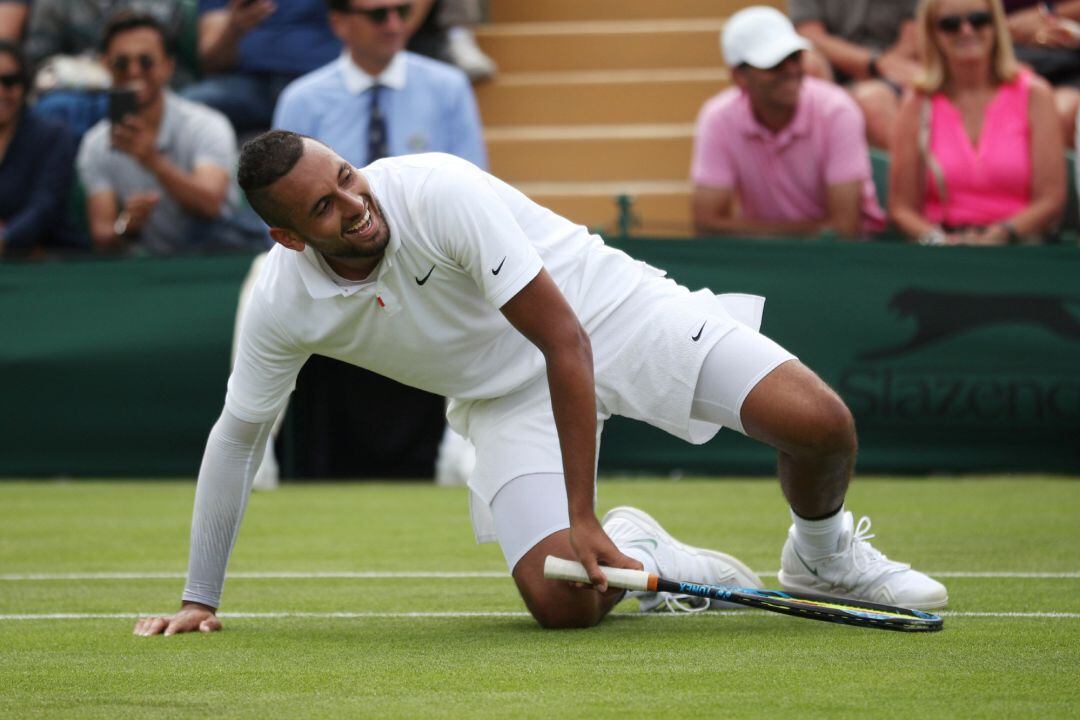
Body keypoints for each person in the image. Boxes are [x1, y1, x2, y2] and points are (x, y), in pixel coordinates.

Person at [132, 130, 948, 636]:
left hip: (608, 311)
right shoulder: (280, 302)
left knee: (820, 424)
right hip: (499, 397)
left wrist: (580, 512)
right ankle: (649, 548)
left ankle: (821, 554)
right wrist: (200, 598)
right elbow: (238, 438)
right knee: (560, 606)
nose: (355, 203)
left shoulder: (436, 190)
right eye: (324, 206)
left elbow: (563, 338)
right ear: (285, 236)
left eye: (347, 176)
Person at [265, 0, 485, 486]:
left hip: (432, 254)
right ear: (339, 23)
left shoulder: (448, 86)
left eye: (402, 9)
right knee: (258, 286)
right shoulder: (303, 97)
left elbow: (475, 187)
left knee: (477, 280)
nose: (393, 23)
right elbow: (279, 207)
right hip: (330, 259)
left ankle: (464, 447)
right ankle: (254, 446)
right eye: (377, 13)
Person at [692, 7, 885, 239]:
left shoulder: (837, 111)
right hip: (768, 259)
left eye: (795, 57)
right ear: (739, 76)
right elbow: (707, 224)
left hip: (841, 262)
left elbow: (844, 230)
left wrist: (753, 232)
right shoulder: (718, 118)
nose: (791, 70)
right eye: (774, 64)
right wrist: (811, 231)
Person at [77, 12, 260, 255]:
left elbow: (211, 204)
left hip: (216, 253)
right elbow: (102, 233)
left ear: (168, 66)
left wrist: (151, 160)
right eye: (121, 63)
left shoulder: (206, 124)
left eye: (146, 62)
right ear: (106, 66)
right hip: (149, 265)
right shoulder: (96, 143)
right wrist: (126, 226)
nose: (133, 71)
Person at [889, 0, 1065, 245]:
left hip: (1019, 247)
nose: (966, 31)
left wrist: (1003, 234)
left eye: (979, 20)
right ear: (932, 34)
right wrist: (938, 240)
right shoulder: (917, 103)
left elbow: (1051, 198)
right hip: (941, 252)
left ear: (996, 27)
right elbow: (901, 207)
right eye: (950, 24)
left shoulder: (1036, 94)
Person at [25, 0, 187, 137]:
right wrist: (93, 67)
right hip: (77, 90)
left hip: (153, 86)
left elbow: (164, 47)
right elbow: (39, 55)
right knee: (53, 109)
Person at [180, 0, 341, 135]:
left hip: (319, 82)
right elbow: (211, 63)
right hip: (250, 85)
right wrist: (234, 26)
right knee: (183, 110)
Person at [789, 0, 921, 149]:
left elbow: (915, 37)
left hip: (894, 72)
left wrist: (880, 69)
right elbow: (809, 34)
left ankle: (902, 167)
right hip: (836, 68)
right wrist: (871, 63)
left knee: (874, 102)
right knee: (806, 65)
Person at [0, 39, 88, 256]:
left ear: (24, 85)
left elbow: (44, 207)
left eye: (10, 81)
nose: (1, 91)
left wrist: (6, 238)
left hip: (52, 260)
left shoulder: (53, 136)